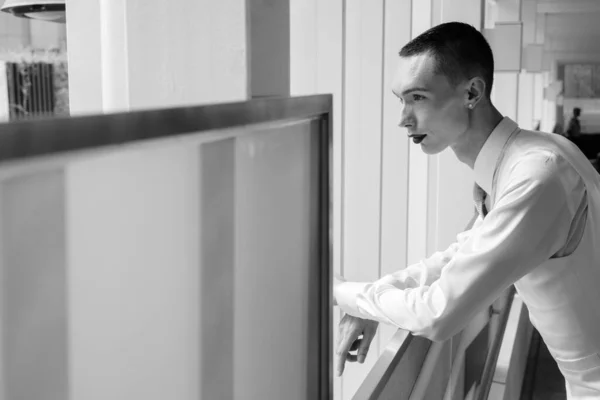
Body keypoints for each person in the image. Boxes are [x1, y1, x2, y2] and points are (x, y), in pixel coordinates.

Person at [333, 22, 600, 399]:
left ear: (472, 92)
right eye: (401, 99)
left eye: (418, 98)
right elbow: (457, 258)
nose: (403, 118)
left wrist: (340, 292)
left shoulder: (536, 176)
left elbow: (439, 313)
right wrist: (372, 299)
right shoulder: (530, 156)